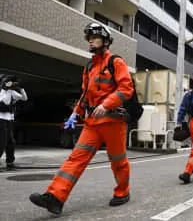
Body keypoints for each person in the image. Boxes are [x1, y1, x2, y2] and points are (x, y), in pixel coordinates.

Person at [29, 22, 134, 214]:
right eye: (89, 38)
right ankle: (55, 197)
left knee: (118, 161)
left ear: (105, 41)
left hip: (112, 121)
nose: (90, 41)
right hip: (92, 123)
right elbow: (85, 95)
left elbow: (126, 89)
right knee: (75, 159)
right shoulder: (89, 67)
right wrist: (74, 114)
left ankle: (123, 192)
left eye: (94, 37)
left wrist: (106, 104)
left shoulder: (116, 62)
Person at [0, 75, 28, 169]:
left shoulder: (11, 91)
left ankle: (10, 162)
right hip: (0, 119)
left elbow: (24, 98)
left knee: (11, 141)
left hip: (9, 119)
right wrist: (6, 89)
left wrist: (21, 88)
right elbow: (4, 102)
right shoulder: (1, 91)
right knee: (2, 141)